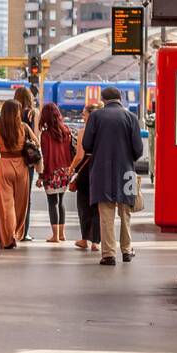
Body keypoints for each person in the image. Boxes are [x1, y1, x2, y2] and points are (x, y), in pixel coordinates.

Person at [82, 85, 144, 266]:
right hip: (127, 171)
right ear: (120, 99)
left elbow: (87, 145)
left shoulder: (95, 116)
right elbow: (138, 150)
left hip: (102, 172)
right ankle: (126, 249)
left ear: (103, 100)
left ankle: (108, 254)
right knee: (126, 212)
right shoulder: (131, 118)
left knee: (106, 213)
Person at [0, 98, 41, 250]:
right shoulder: (24, 127)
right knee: (20, 204)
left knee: (6, 205)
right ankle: (15, 232)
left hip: (4, 165)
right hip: (21, 167)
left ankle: (7, 237)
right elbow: (36, 143)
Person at [37, 101, 74, 244]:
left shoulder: (45, 135)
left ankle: (55, 236)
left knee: (52, 202)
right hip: (65, 172)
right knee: (61, 202)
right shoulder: (67, 130)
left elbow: (45, 157)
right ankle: (62, 234)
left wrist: (41, 176)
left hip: (51, 172)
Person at [68, 103, 103, 252]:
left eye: (84, 113)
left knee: (84, 206)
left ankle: (85, 239)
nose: (82, 116)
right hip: (100, 170)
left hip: (85, 171)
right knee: (97, 207)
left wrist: (71, 169)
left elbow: (80, 155)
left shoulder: (83, 132)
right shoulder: (103, 131)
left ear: (90, 115)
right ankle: (96, 241)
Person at [14, 85, 37, 240]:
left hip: (12, 156)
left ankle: (12, 229)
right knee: (26, 196)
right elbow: (35, 137)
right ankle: (24, 232)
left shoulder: (12, 112)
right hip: (27, 157)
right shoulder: (32, 113)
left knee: (13, 196)